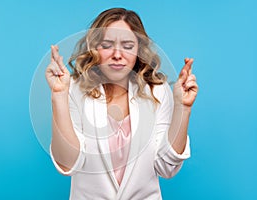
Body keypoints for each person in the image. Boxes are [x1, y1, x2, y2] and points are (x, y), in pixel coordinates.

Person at [45, 8, 198, 200]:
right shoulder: (75, 89)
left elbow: (167, 168)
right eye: (107, 44)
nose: (117, 55)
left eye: (127, 45)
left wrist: (183, 108)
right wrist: (59, 95)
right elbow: (68, 164)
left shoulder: (157, 91)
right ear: (94, 48)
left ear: (138, 51)